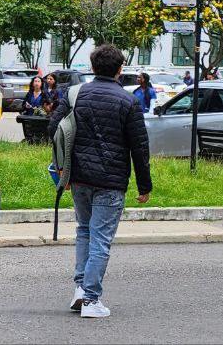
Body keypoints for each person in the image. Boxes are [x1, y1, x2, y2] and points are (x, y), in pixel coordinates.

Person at [47, 45, 153, 319]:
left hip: (79, 177)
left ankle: (81, 290)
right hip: (112, 180)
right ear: (120, 69)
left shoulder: (76, 94)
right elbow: (139, 147)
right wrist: (144, 186)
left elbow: (53, 128)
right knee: (101, 240)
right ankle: (92, 300)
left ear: (93, 67)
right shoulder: (128, 102)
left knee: (84, 231)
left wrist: (64, 168)